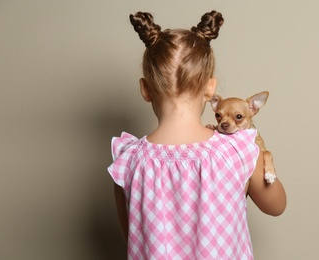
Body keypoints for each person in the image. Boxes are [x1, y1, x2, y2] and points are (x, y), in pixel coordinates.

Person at [108, 10, 287, 259]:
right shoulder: (238, 150)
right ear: (210, 88)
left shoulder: (127, 160)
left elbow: (133, 238)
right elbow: (277, 206)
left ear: (146, 89)